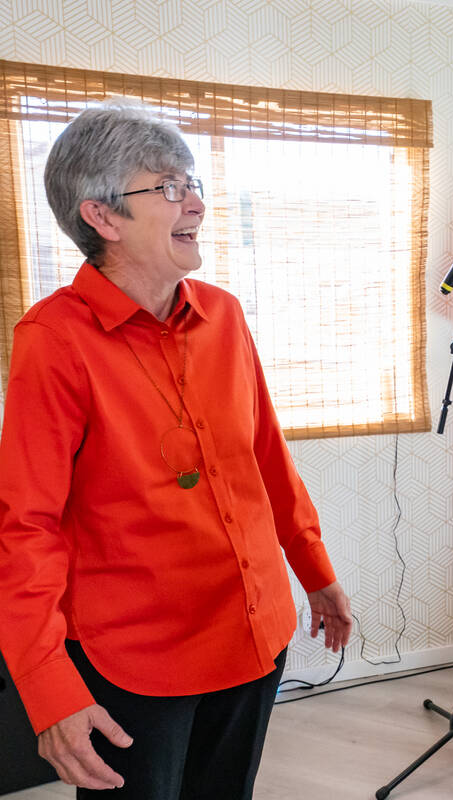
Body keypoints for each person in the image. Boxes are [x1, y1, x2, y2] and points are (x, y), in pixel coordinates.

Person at [0, 101, 353, 799]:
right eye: (168, 187)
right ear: (101, 217)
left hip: (254, 635)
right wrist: (46, 686)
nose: (196, 203)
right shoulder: (54, 340)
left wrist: (316, 571)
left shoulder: (223, 313)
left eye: (192, 183)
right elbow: (26, 526)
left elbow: (267, 458)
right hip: (136, 662)